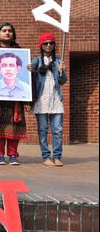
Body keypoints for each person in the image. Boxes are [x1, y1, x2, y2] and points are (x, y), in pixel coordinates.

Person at [0, 22, 33, 166]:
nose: (7, 33)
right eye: (4, 31)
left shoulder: (20, 52)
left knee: (14, 125)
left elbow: (27, 75)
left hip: (16, 97)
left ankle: (13, 155)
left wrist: (30, 69)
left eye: (10, 31)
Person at [31, 32, 67, 167]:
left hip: (55, 99)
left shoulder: (58, 61)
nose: (48, 45)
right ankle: (46, 156)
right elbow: (28, 74)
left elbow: (63, 81)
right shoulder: (36, 61)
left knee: (57, 130)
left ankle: (57, 156)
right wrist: (30, 69)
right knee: (43, 129)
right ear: (41, 45)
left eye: (51, 43)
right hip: (41, 99)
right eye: (45, 43)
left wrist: (62, 71)